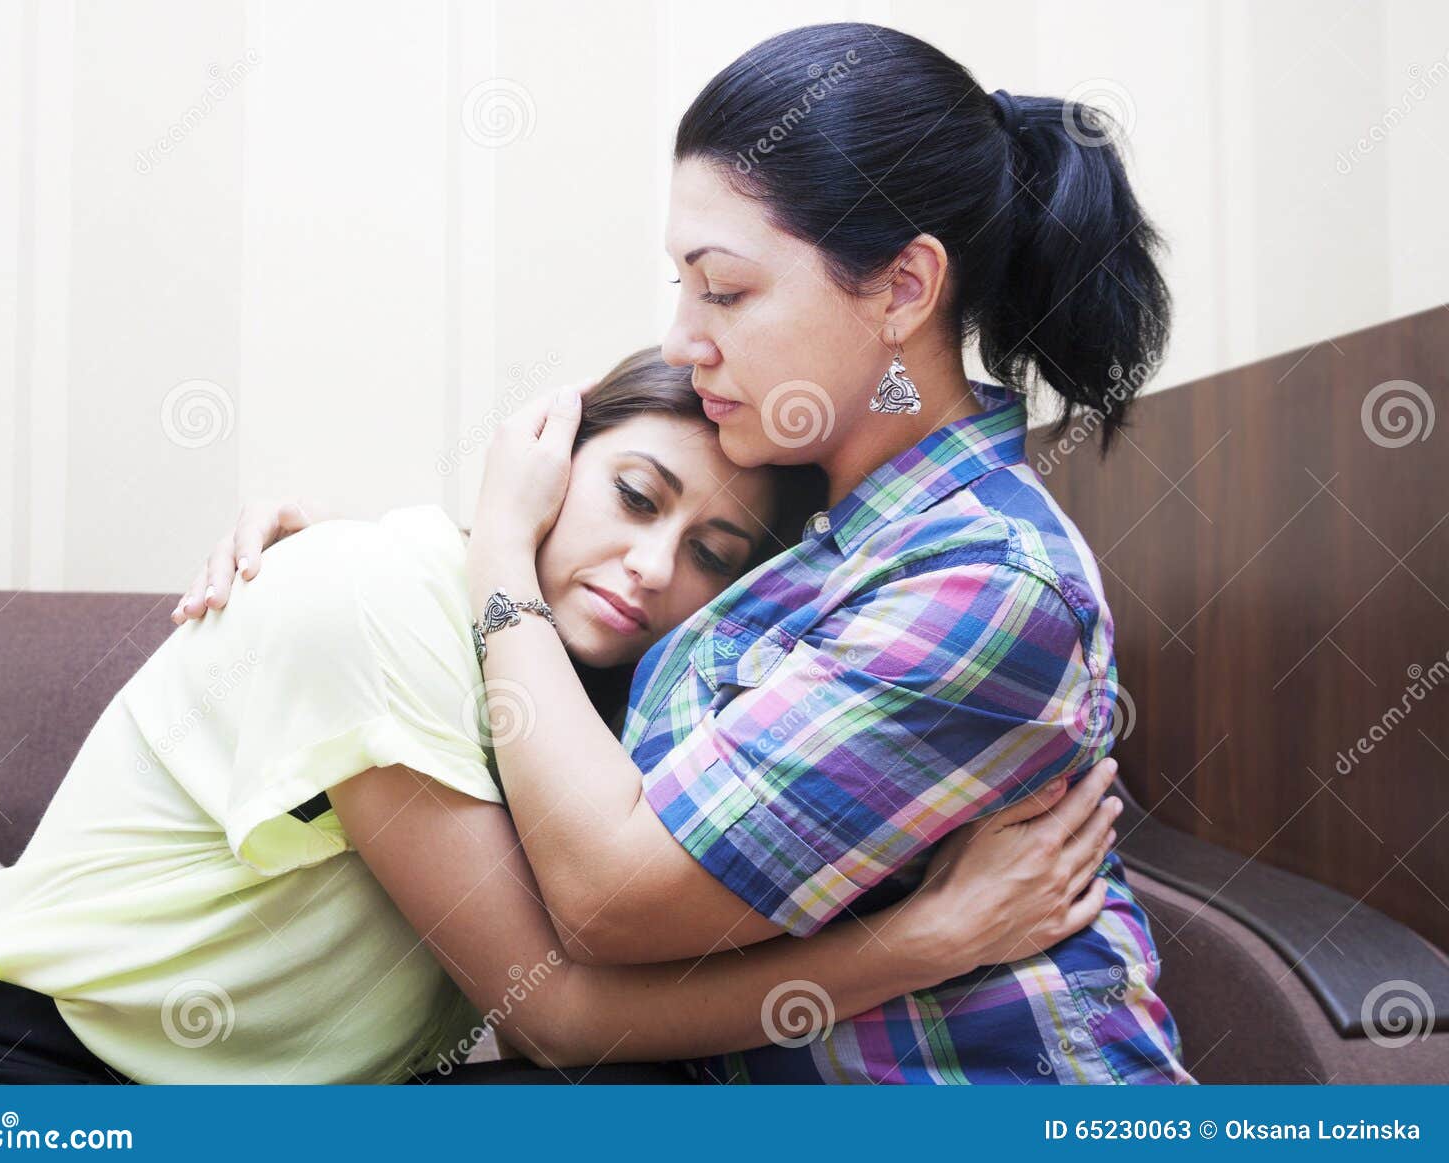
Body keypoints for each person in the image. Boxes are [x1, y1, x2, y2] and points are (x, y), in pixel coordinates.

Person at [185, 23, 1193, 1084]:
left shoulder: (985, 581)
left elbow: (608, 896)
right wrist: (362, 568)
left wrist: (497, 556)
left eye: (725, 289)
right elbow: (573, 725)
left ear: (902, 290)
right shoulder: (810, 528)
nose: (681, 339)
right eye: (681, 283)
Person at [0, 349, 1117, 1085]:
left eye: (711, 554)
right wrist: (929, 938)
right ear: (548, 456)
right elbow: (553, 1015)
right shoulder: (375, 592)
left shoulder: (583, 715)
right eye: (636, 495)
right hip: (29, 1076)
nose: (651, 565)